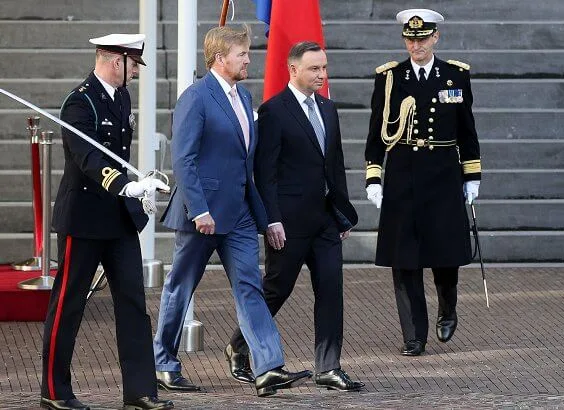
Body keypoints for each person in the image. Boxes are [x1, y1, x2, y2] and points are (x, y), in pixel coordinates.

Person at [153, 25, 311, 398]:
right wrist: (199, 209)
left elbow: (246, 165)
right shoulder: (196, 97)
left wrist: (265, 217)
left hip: (239, 213)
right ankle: (163, 363)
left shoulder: (244, 96)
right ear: (220, 58)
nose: (248, 59)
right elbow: (185, 159)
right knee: (181, 286)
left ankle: (268, 367)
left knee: (250, 287)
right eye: (243, 53)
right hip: (203, 215)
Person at [41, 34, 173, 410]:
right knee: (68, 305)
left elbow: (117, 155)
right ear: (116, 61)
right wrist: (125, 186)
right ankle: (54, 390)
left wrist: (140, 185)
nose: (134, 73)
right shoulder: (78, 103)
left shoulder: (122, 98)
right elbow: (88, 160)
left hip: (117, 221)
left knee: (133, 303)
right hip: (83, 219)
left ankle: (140, 391)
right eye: (133, 65)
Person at [226, 41, 363, 391]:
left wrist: (343, 214)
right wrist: (271, 220)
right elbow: (265, 172)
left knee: (331, 290)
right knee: (276, 289)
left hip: (325, 222)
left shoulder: (329, 109)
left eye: (324, 68)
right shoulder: (274, 111)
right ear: (293, 70)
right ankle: (239, 344)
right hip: (288, 223)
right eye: (314, 68)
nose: (322, 74)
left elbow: (334, 165)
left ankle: (328, 367)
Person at [364, 9, 482, 357]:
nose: (415, 44)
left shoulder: (455, 76)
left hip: (443, 176)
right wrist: (374, 176)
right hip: (403, 175)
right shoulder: (389, 78)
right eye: (410, 39)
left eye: (422, 38)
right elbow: (375, 134)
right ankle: (414, 335)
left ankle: (447, 308)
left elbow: (467, 132)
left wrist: (471, 176)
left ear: (435, 38)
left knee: (445, 255)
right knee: (405, 260)